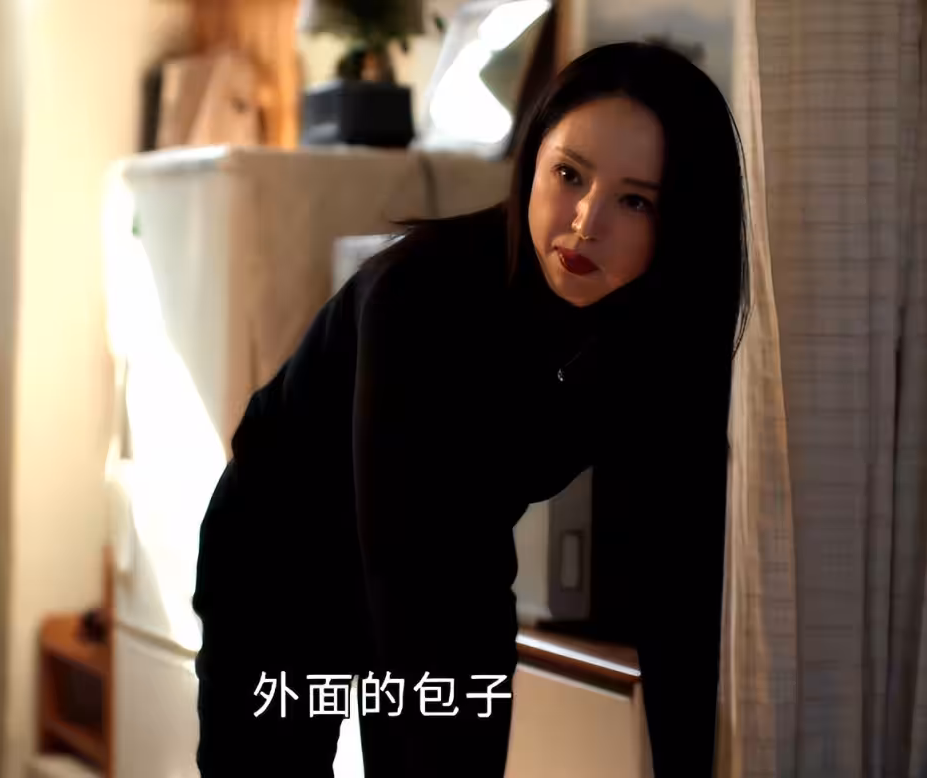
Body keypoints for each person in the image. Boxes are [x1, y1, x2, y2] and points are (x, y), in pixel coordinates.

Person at [192, 41, 749, 777]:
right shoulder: (417, 295)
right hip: (282, 563)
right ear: (533, 158)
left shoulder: (656, 338)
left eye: (635, 200)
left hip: (455, 557)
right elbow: (404, 577)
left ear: (681, 221)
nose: (587, 222)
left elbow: (677, 576)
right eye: (569, 174)